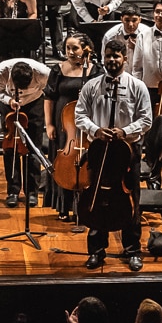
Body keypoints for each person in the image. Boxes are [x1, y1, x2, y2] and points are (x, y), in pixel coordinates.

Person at [76, 38, 152, 272]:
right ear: (103, 57)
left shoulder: (137, 86)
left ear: (124, 59)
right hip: (99, 150)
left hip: (127, 152)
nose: (112, 60)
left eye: (116, 56)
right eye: (108, 55)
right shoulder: (92, 86)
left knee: (131, 201)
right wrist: (96, 130)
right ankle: (96, 251)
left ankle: (132, 250)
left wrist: (124, 131)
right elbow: (79, 115)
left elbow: (147, 119)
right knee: (97, 198)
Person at [44, 34, 94, 218]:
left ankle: (85, 205)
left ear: (85, 49)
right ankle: (63, 206)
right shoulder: (57, 69)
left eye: (75, 49)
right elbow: (49, 98)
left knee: (86, 162)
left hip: (87, 123)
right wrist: (49, 124)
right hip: (64, 124)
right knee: (63, 162)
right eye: (68, 49)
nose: (71, 52)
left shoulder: (94, 70)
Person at [0, 55, 50, 207]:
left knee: (33, 149)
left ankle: (32, 192)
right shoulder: (1, 71)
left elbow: (48, 90)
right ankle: (13, 191)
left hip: (34, 103)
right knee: (11, 149)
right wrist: (9, 101)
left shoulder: (43, 72)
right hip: (9, 104)